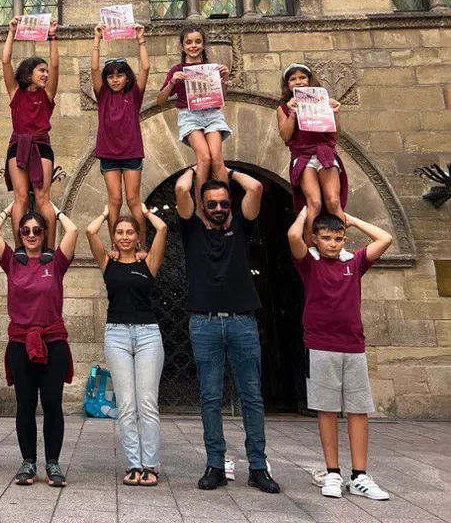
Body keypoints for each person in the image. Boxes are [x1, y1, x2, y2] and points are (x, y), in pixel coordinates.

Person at [174, 167, 280, 493]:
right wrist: (197, 168)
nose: (218, 208)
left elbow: (257, 187)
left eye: (223, 203)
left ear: (229, 205)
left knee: (251, 396)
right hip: (203, 322)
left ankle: (258, 467)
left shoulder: (241, 228)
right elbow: (180, 188)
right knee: (209, 397)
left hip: (242, 321)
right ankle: (215, 465)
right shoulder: (192, 230)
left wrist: (228, 172)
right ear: (202, 206)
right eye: (212, 204)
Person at [288, 210, 393, 500]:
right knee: (327, 409)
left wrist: (353, 219)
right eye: (326, 238)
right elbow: (292, 236)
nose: (332, 243)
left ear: (344, 238)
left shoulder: (355, 262)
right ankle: (332, 472)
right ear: (315, 238)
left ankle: (360, 475)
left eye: (337, 238)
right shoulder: (309, 263)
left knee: (359, 409)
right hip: (321, 344)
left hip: (353, 346)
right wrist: (304, 213)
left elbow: (385, 237)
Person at [0, 201, 78, 488]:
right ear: (20, 233)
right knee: (25, 405)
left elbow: (73, 230)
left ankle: (53, 464)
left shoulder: (56, 262)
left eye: (37, 229)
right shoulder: (12, 261)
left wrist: (53, 207)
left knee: (52, 404)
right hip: (20, 342)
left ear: (45, 232)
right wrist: (10, 207)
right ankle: (28, 463)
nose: (31, 234)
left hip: (53, 341)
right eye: (25, 230)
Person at [87, 203, 168, 486]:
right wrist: (108, 211)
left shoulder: (148, 262)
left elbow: (163, 228)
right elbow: (89, 230)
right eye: (119, 232)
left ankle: (151, 465)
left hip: (148, 335)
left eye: (129, 232)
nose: (124, 236)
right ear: (114, 237)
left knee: (146, 402)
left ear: (137, 236)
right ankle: (134, 465)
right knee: (126, 404)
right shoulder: (107, 262)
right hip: (117, 335)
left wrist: (144, 213)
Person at [157, 26, 231, 216]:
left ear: (203, 44)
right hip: (190, 115)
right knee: (204, 158)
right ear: (182, 46)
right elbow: (160, 100)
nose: (193, 45)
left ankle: (226, 204)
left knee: (216, 158)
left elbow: (222, 98)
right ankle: (201, 206)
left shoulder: (212, 67)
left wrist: (223, 80)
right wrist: (172, 82)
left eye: (198, 41)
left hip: (212, 114)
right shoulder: (177, 70)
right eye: (188, 42)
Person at [2, 16, 60, 250]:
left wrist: (53, 36)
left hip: (41, 145)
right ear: (28, 75)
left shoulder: (47, 95)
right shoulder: (16, 93)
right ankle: (19, 247)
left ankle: (50, 248)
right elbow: (5, 61)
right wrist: (11, 32)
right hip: (18, 145)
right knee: (21, 197)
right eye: (41, 71)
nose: (46, 74)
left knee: (42, 196)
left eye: (46, 71)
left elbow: (56, 66)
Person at [91, 22, 148, 242]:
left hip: (132, 152)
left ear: (127, 77)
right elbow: (95, 69)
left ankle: (141, 244)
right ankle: (116, 244)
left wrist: (140, 39)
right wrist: (97, 39)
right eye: (111, 76)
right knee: (114, 199)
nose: (115, 80)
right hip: (108, 153)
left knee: (133, 199)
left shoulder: (134, 94)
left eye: (120, 75)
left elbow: (145, 68)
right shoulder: (103, 95)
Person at [277, 63, 347, 240]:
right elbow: (285, 136)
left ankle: (339, 244)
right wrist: (292, 113)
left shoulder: (323, 102)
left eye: (302, 77)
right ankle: (311, 248)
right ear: (287, 85)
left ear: (309, 80)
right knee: (314, 202)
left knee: (333, 201)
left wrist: (335, 114)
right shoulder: (283, 108)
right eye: (292, 79)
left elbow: (335, 135)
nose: (298, 82)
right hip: (303, 156)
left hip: (325, 154)